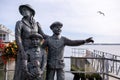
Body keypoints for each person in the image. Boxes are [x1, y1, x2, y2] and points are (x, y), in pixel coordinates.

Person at [14, 4, 47, 80]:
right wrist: (22, 51)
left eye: (25, 9)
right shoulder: (20, 23)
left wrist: (53, 38)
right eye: (22, 10)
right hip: (24, 50)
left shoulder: (37, 24)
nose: (23, 11)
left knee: (35, 72)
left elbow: (43, 35)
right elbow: (17, 37)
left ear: (31, 11)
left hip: (35, 51)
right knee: (21, 73)